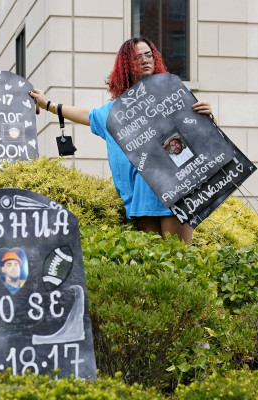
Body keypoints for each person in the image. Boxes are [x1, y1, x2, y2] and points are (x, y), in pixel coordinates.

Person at [29, 37, 214, 245]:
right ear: (126, 64)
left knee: (180, 261)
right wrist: (47, 104)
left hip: (177, 189)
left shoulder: (175, 93)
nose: (145, 60)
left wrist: (209, 116)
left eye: (148, 55)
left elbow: (201, 133)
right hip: (141, 197)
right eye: (137, 57)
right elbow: (86, 115)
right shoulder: (116, 112)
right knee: (154, 267)